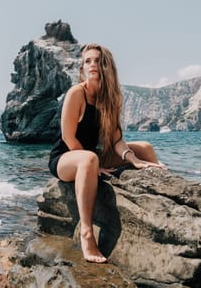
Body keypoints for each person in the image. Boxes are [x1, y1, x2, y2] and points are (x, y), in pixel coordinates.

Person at [48, 43, 165, 263]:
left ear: (107, 65)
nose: (92, 64)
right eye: (87, 61)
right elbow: (68, 137)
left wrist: (135, 160)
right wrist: (94, 166)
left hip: (91, 156)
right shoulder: (76, 93)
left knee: (146, 148)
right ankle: (87, 233)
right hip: (65, 159)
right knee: (90, 158)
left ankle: (160, 206)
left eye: (97, 60)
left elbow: (116, 139)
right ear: (82, 68)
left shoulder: (112, 98)